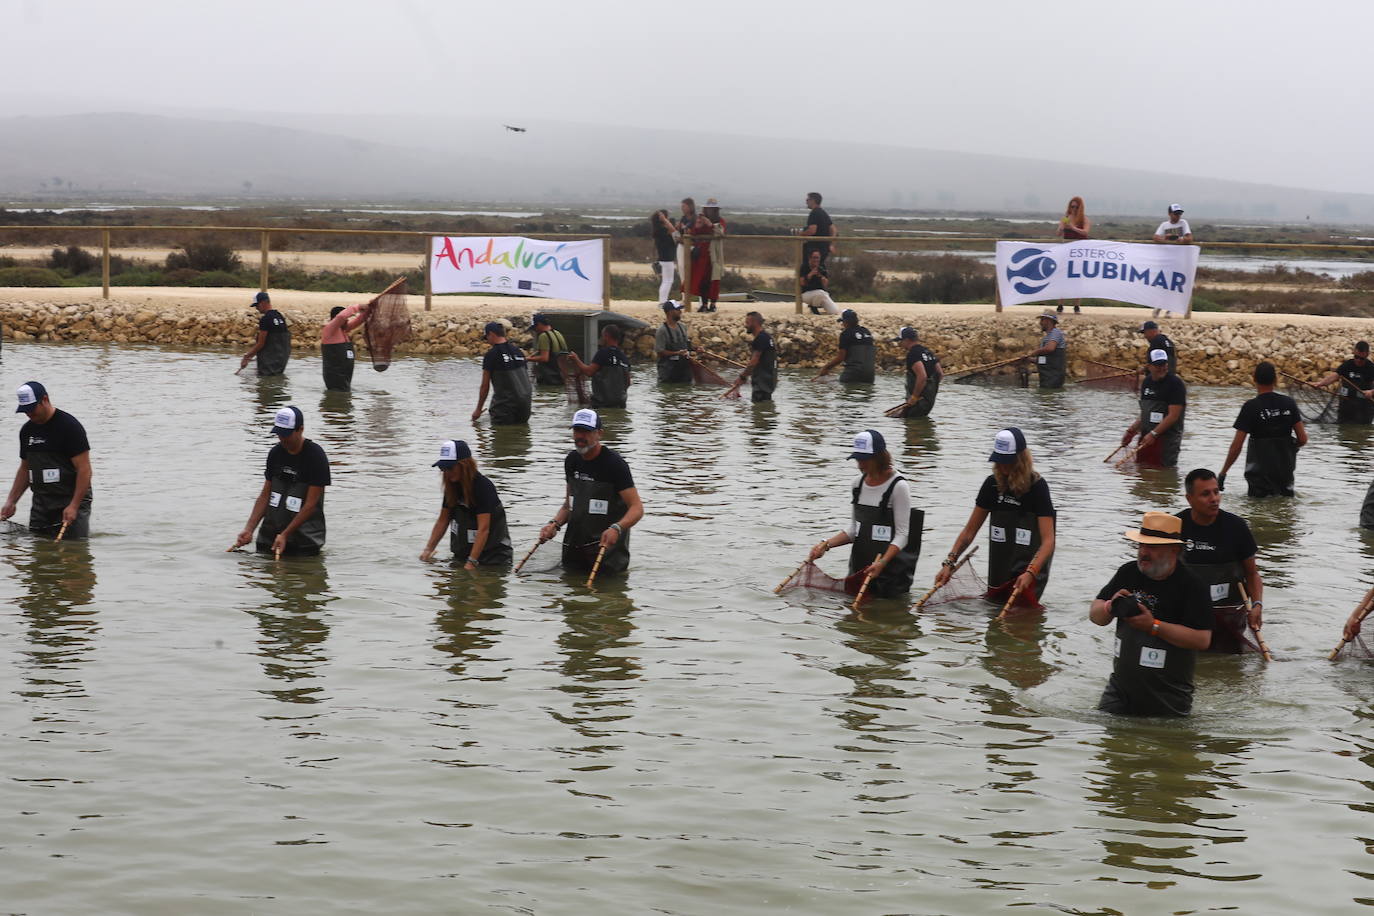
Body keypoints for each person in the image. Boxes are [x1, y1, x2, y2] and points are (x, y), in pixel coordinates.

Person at [1089, 511, 1213, 717]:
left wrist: (1153, 626)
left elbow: (1202, 640)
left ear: (1174, 550)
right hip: (1119, 691)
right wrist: (1110, 607)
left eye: (1152, 547)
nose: (1144, 552)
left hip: (1169, 695)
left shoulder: (1192, 585)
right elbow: (1095, 616)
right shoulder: (1128, 572)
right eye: (1141, 545)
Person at [930, 428, 1055, 607]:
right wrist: (949, 562)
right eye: (999, 461)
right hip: (1000, 566)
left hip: (1029, 571)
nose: (1003, 467)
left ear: (1021, 459)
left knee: (1021, 620)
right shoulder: (991, 485)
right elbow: (969, 531)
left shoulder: (1038, 488)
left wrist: (1031, 572)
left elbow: (1048, 541)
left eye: (1008, 462)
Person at [807, 430, 922, 599]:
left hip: (890, 573)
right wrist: (826, 544)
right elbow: (854, 530)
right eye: (857, 459)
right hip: (859, 569)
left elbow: (903, 534)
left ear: (880, 456)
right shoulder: (857, 484)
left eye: (865, 459)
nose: (860, 465)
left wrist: (882, 562)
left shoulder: (899, 486)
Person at [537, 409, 643, 576]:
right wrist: (554, 525)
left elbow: (637, 508)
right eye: (577, 430)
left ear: (599, 433)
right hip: (573, 549)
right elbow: (568, 506)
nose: (580, 436)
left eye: (586, 431)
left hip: (606, 554)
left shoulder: (615, 464)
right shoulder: (572, 460)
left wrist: (616, 528)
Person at [1175, 468, 1264, 653]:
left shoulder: (1237, 527)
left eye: (1216, 492)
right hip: (1186, 618)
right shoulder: (1175, 526)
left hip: (1228, 619)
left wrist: (1257, 605)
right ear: (1189, 498)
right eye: (1205, 494)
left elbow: (1252, 573)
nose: (1214, 498)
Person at [232, 406, 330, 556]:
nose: (283, 439)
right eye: (279, 434)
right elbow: (265, 496)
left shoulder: (315, 456)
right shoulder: (275, 453)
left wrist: (285, 534)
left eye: (287, 434)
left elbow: (311, 505)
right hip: (269, 538)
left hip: (303, 543)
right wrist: (249, 529)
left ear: (300, 429)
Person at [1, 381, 92, 538]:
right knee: (39, 550)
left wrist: (74, 505)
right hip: (41, 503)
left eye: (32, 409)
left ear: (44, 400)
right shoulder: (27, 431)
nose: (29, 414)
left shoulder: (69, 427)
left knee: (73, 554)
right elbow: (25, 469)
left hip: (70, 500)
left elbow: (85, 470)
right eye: (25, 411)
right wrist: (11, 501)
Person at [1219, 362, 1306, 498]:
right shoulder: (1289, 403)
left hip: (1259, 479)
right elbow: (1302, 439)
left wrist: (1223, 472)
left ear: (1254, 379)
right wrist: (1289, 448)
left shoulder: (1250, 407)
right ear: (1275, 380)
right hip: (1284, 474)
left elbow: (1237, 446)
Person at [420, 439, 512, 568]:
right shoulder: (452, 488)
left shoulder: (483, 487)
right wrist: (428, 550)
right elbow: (443, 521)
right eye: (443, 468)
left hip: (492, 558)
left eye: (450, 468)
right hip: (462, 555)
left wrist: (472, 562)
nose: (446, 472)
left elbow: (484, 529)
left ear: (465, 465)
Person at [1121, 348, 1186, 466]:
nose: (1162, 368)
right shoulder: (1146, 382)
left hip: (1166, 440)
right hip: (1146, 437)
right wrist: (1131, 431)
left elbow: (1173, 415)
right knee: (1142, 473)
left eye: (1164, 364)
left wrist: (1154, 434)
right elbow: (1146, 413)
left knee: (1163, 471)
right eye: (1157, 365)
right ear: (1149, 366)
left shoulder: (1175, 384)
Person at [472, 321, 532, 425]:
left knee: (501, 437)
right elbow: (525, 378)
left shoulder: (491, 355)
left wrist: (478, 409)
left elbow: (485, 386)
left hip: (504, 407)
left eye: (487, 337)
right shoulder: (518, 351)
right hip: (525, 406)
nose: (487, 341)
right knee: (521, 437)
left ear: (491, 334)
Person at [566, 322, 632, 409]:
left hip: (602, 404)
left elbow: (589, 372)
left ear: (606, 335)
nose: (601, 339)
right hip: (620, 403)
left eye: (602, 336)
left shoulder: (603, 353)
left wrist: (576, 359)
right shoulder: (624, 357)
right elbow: (628, 382)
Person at [1314, 340, 1374, 424]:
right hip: (1345, 407)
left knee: (1360, 433)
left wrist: (1371, 392)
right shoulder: (1348, 365)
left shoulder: (1371, 368)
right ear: (1354, 353)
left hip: (1363, 410)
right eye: (1356, 357)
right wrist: (1320, 384)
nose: (1358, 360)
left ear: (1367, 354)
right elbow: (1335, 376)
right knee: (1343, 433)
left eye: (1362, 358)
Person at [724, 311, 777, 402]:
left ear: (754, 323)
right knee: (764, 407)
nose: (745, 325)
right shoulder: (766, 337)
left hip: (762, 382)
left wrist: (742, 377)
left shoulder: (761, 338)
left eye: (747, 323)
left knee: (759, 409)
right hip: (768, 381)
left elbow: (754, 361)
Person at [1151, 206, 1194, 316]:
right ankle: (1160, 306)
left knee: (1175, 283)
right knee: (1163, 283)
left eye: (1179, 213)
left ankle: (1169, 309)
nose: (1178, 216)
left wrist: (1181, 239)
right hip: (1166, 258)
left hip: (1179, 258)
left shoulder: (1184, 223)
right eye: (1176, 213)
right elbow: (1155, 237)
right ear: (1170, 214)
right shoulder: (1164, 225)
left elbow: (1189, 238)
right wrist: (1166, 238)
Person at [815, 309, 875, 383]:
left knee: (818, 382)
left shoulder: (846, 334)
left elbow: (841, 358)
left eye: (842, 322)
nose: (842, 324)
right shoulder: (866, 332)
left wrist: (826, 368)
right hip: (870, 376)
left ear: (846, 322)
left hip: (852, 375)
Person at [893, 327, 941, 418]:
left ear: (907, 340)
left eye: (901, 341)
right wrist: (929, 390)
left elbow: (922, 376)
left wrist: (915, 396)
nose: (900, 344)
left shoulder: (913, 354)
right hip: (929, 402)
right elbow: (940, 374)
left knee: (911, 426)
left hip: (918, 402)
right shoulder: (928, 352)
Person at [240, 291, 291, 376]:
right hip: (281, 361)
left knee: (264, 386)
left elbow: (261, 343)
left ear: (263, 302)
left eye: (257, 305)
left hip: (268, 363)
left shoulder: (265, 319)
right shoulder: (279, 316)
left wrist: (247, 357)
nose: (256, 308)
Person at [320, 303, 367, 392]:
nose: (347, 321)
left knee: (345, 392)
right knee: (338, 396)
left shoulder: (343, 330)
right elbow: (341, 317)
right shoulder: (329, 330)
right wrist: (357, 307)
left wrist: (367, 311)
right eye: (346, 319)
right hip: (334, 376)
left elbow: (359, 320)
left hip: (345, 376)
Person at [1054, 196, 1089, 314]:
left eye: (1076, 207)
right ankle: (1060, 304)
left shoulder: (1084, 219)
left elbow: (1085, 232)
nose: (1073, 209)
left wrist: (1073, 228)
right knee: (1063, 277)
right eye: (1072, 206)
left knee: (1078, 279)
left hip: (1079, 252)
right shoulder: (1065, 218)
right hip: (1067, 252)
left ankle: (1076, 305)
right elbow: (1058, 233)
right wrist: (1062, 227)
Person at [691, 198, 727, 312]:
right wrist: (698, 225)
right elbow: (694, 233)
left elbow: (720, 233)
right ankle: (704, 304)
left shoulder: (720, 221)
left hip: (714, 255)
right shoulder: (700, 220)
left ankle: (713, 304)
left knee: (714, 281)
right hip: (702, 254)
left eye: (712, 209)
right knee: (703, 280)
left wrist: (710, 224)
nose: (709, 211)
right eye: (708, 209)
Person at [654, 301, 694, 384]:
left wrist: (696, 349)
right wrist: (677, 353)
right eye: (678, 310)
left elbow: (687, 346)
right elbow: (660, 353)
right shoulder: (662, 331)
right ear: (669, 312)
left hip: (684, 371)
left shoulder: (682, 327)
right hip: (668, 372)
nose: (680, 312)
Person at [527, 313, 569, 387]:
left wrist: (528, 359)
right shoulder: (557, 333)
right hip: (561, 377)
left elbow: (544, 358)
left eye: (535, 327)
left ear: (539, 324)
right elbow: (556, 351)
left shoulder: (543, 336)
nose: (535, 330)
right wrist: (534, 354)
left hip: (549, 379)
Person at [1030, 311, 1067, 389]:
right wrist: (1030, 360)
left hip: (1053, 377)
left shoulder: (1055, 333)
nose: (1040, 323)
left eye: (1042, 320)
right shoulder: (1047, 337)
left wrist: (1035, 352)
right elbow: (1046, 359)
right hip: (1046, 377)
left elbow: (1050, 348)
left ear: (1048, 320)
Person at [799, 191, 835, 267]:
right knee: (819, 268)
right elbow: (833, 229)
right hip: (823, 248)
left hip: (814, 249)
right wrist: (830, 244)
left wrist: (800, 234)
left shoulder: (814, 213)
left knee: (808, 269)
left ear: (813, 200)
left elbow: (812, 230)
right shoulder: (823, 212)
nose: (806, 201)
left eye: (808, 199)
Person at [800, 249, 840, 315]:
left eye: (817, 258)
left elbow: (826, 284)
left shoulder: (822, 267)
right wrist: (810, 274)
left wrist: (822, 277)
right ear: (810, 258)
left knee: (834, 311)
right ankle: (813, 308)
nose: (816, 260)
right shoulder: (804, 267)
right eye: (814, 258)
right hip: (806, 294)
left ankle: (815, 305)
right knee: (820, 293)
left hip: (821, 294)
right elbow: (802, 283)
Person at [651, 209, 678, 304]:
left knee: (665, 281)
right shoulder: (663, 231)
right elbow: (675, 232)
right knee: (668, 281)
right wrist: (665, 220)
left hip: (663, 259)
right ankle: (662, 302)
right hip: (667, 260)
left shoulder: (658, 231)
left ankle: (662, 301)